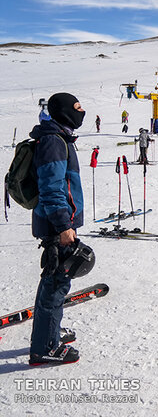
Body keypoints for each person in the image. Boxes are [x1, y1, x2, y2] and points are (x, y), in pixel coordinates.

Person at [28, 92, 87, 365]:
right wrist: (64, 226)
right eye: (76, 107)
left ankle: (49, 334)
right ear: (63, 111)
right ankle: (45, 347)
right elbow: (51, 189)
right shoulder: (54, 141)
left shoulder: (59, 137)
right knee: (54, 285)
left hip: (59, 223)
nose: (81, 111)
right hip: (56, 225)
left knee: (56, 284)